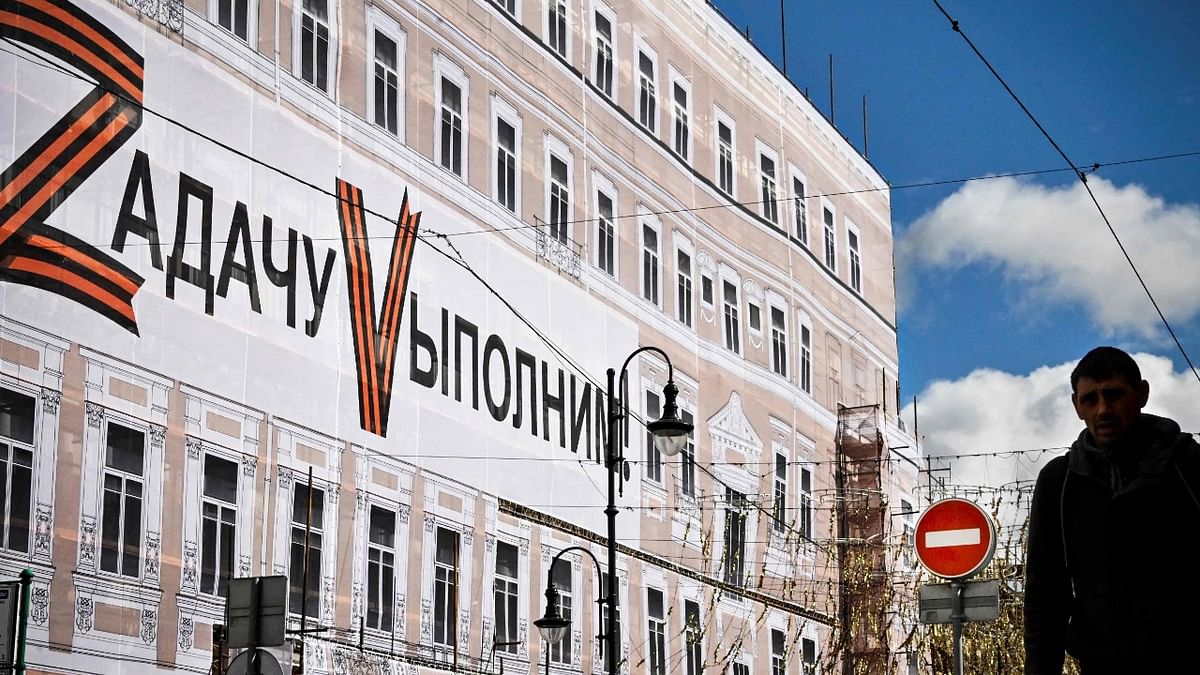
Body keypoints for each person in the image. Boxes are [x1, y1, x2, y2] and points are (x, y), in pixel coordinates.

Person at [1024, 346, 1200, 674]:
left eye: (1115, 394)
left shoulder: (1188, 467)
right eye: (1091, 399)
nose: (1104, 409)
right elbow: (1045, 597)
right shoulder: (1060, 483)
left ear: (1142, 394)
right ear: (1076, 405)